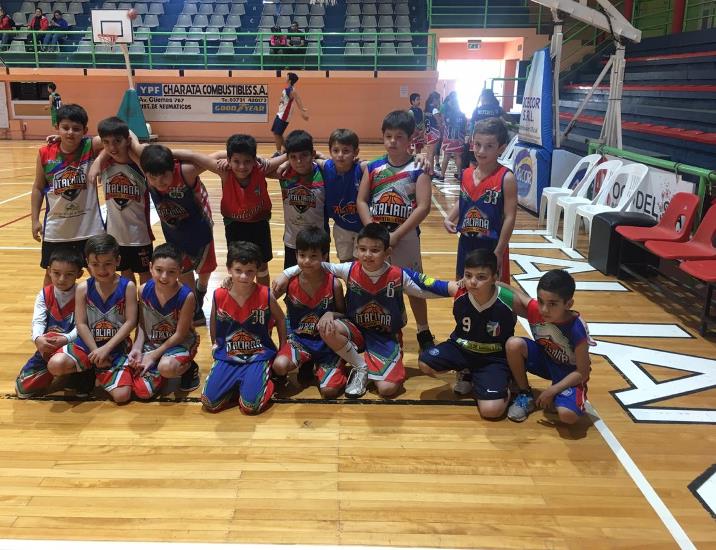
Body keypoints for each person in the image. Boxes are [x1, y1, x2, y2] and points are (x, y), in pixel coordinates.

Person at [274, 223, 456, 399]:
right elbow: (314, 264)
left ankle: (370, 364)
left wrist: (459, 287)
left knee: (387, 389)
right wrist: (286, 274)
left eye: (375, 250)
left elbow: (430, 286)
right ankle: (360, 367)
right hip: (356, 331)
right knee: (328, 327)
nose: (367, 255)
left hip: (384, 336)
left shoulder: (398, 275)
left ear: (387, 252)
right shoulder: (348, 269)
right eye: (362, 249)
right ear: (356, 250)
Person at [356, 110, 435, 352]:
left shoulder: (418, 168)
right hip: (378, 237)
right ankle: (380, 327)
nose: (393, 141)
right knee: (377, 282)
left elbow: (423, 207)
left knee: (415, 286)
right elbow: (361, 200)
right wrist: (372, 229)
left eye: (399, 136)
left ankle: (423, 330)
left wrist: (397, 235)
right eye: (388, 136)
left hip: (406, 236)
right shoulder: (373, 167)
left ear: (410, 139)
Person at [418, 249, 517, 419]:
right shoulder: (459, 291)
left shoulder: (508, 298)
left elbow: (535, 311)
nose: (473, 282)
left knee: (491, 412)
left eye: (481, 277)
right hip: (461, 348)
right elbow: (424, 282)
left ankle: (502, 382)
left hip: (493, 357)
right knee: (425, 362)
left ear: (495, 277)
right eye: (468, 275)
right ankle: (467, 372)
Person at [181, 134, 286, 287]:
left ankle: (263, 297)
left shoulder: (261, 168)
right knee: (237, 265)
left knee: (262, 266)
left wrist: (306, 154)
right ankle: (238, 296)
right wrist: (164, 153)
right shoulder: (224, 171)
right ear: (229, 160)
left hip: (259, 224)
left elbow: (286, 157)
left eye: (247, 161)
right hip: (234, 225)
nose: (242, 167)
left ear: (254, 160)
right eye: (236, 161)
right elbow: (193, 156)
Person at [47, 235, 138, 403]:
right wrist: (95, 350)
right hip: (88, 344)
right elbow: (81, 323)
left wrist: (106, 349)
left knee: (122, 396)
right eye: (95, 264)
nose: (102, 270)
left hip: (116, 345)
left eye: (107, 264)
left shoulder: (128, 286)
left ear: (118, 261)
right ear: (87, 263)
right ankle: (87, 370)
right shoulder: (83, 288)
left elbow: (131, 322)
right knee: (55, 365)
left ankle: (95, 370)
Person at [136, 143, 217, 326]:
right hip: (174, 233)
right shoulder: (147, 169)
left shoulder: (185, 171)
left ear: (172, 168)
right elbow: (130, 140)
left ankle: (202, 287)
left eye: (164, 175)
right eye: (153, 177)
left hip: (200, 229)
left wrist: (175, 153)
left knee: (205, 269)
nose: (159, 181)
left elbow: (218, 156)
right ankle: (195, 309)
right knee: (184, 270)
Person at [202, 241, 287, 415]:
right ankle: (240, 384)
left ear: (256, 271)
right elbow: (214, 321)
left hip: (258, 355)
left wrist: (283, 348)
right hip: (228, 355)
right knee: (210, 403)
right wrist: (215, 344)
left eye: (249, 271)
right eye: (238, 270)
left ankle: (265, 380)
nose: (243, 276)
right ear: (229, 269)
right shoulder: (219, 294)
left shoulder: (265, 294)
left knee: (250, 406)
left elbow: (281, 319)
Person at [272, 226, 357, 397]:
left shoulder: (334, 284)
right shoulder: (289, 282)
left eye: (313, 256)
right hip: (299, 340)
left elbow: (344, 315)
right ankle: (306, 361)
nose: (306, 261)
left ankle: (328, 363)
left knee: (329, 391)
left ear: (324, 257)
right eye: (302, 255)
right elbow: (264, 300)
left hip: (327, 342)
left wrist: (331, 314)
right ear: (296, 254)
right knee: (280, 366)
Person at [504, 269, 594, 424]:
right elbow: (517, 293)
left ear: (568, 304)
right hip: (546, 361)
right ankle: (525, 393)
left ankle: (568, 398)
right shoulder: (536, 309)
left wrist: (552, 390)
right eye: (540, 301)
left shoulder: (577, 329)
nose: (544, 309)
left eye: (552, 304)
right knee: (513, 344)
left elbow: (583, 372)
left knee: (568, 416)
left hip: (569, 373)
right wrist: (492, 282)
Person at [30, 104, 105, 287]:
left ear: (85, 130)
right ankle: (48, 305)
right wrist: (34, 220)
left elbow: (123, 134)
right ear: (57, 127)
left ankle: (101, 305)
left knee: (100, 273)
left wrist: (98, 162)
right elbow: (38, 188)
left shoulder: (89, 146)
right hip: (57, 230)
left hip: (89, 228)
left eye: (76, 129)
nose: (70, 132)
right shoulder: (45, 153)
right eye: (65, 128)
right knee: (51, 274)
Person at [444, 117, 516, 283]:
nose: (481, 151)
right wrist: (449, 217)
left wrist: (499, 251)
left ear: (501, 148)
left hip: (491, 245)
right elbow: (465, 200)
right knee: (464, 287)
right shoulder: (466, 173)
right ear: (472, 143)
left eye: (489, 146)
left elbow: (510, 217)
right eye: (477, 144)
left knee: (492, 292)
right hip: (466, 242)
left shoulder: (506, 178)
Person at [127, 243, 201, 398]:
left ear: (180, 271)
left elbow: (180, 335)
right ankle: (160, 371)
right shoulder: (143, 290)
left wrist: (153, 356)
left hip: (180, 343)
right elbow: (142, 325)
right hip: (154, 343)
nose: (164, 277)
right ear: (150, 267)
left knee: (166, 368)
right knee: (142, 392)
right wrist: (137, 348)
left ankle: (188, 367)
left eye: (171, 272)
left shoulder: (186, 296)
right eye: (159, 270)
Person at [88, 116, 153, 285]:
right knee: (125, 273)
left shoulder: (140, 163)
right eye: (106, 142)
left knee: (145, 273)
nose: (112, 147)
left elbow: (129, 132)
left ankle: (146, 302)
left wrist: (134, 146)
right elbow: (79, 143)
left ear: (127, 141)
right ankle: (128, 300)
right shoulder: (105, 163)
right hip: (115, 235)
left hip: (140, 234)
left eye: (117, 141)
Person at [15, 249, 84, 399]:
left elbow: (83, 326)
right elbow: (38, 321)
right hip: (50, 345)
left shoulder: (83, 293)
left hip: (75, 344)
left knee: (62, 364)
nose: (61, 279)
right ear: (49, 271)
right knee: (22, 389)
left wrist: (66, 338)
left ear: (79, 274)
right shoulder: (44, 294)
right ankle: (60, 371)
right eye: (56, 273)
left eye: (69, 274)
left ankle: (81, 371)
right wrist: (38, 339)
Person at [279, 129, 327, 268]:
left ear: (312, 154)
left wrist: (321, 156)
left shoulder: (324, 172)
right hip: (292, 241)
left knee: (321, 278)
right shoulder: (284, 173)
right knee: (292, 279)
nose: (299, 161)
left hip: (318, 241)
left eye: (304, 155)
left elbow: (341, 165)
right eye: (293, 157)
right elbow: (261, 166)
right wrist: (285, 161)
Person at [319, 128, 365, 262]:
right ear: (330, 152)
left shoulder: (361, 168)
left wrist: (416, 156)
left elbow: (383, 163)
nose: (340, 155)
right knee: (344, 262)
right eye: (336, 150)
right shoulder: (326, 166)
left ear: (355, 152)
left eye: (346, 151)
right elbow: (310, 158)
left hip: (362, 227)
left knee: (361, 264)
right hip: (340, 226)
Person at [270, 72, 309, 156]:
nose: (286, 78)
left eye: (287, 77)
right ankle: (288, 149)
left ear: (290, 80)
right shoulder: (287, 89)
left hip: (284, 115)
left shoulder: (291, 90)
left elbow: (297, 99)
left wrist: (302, 111)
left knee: (277, 133)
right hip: (280, 113)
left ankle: (279, 152)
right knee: (277, 133)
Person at [466, 89, 507, 167]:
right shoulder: (497, 109)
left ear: (483, 97)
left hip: (478, 137)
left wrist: (471, 135)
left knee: (473, 160)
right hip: (493, 139)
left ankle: (474, 173)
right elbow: (507, 119)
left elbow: (472, 124)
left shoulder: (477, 110)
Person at [437, 92, 467, 182]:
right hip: (459, 139)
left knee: (446, 156)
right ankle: (459, 174)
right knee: (458, 157)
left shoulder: (447, 115)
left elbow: (443, 124)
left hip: (448, 139)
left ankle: (442, 175)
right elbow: (465, 127)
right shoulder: (462, 115)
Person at [424, 91, 442, 170]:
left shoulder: (426, 109)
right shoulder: (434, 110)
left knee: (429, 153)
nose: (439, 101)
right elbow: (439, 122)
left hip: (428, 132)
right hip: (434, 133)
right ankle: (431, 171)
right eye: (438, 100)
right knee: (432, 153)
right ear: (434, 99)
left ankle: (427, 169)